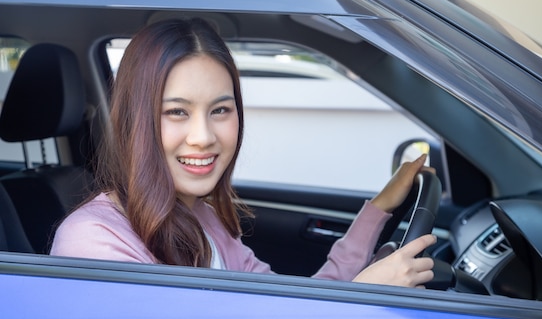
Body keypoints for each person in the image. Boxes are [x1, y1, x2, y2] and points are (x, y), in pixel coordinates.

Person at [50, 18, 435, 288]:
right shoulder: (94, 241)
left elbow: (292, 309)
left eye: (220, 110)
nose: (203, 137)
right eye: (176, 112)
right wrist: (362, 303)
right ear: (136, 120)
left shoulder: (201, 218)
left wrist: (378, 211)